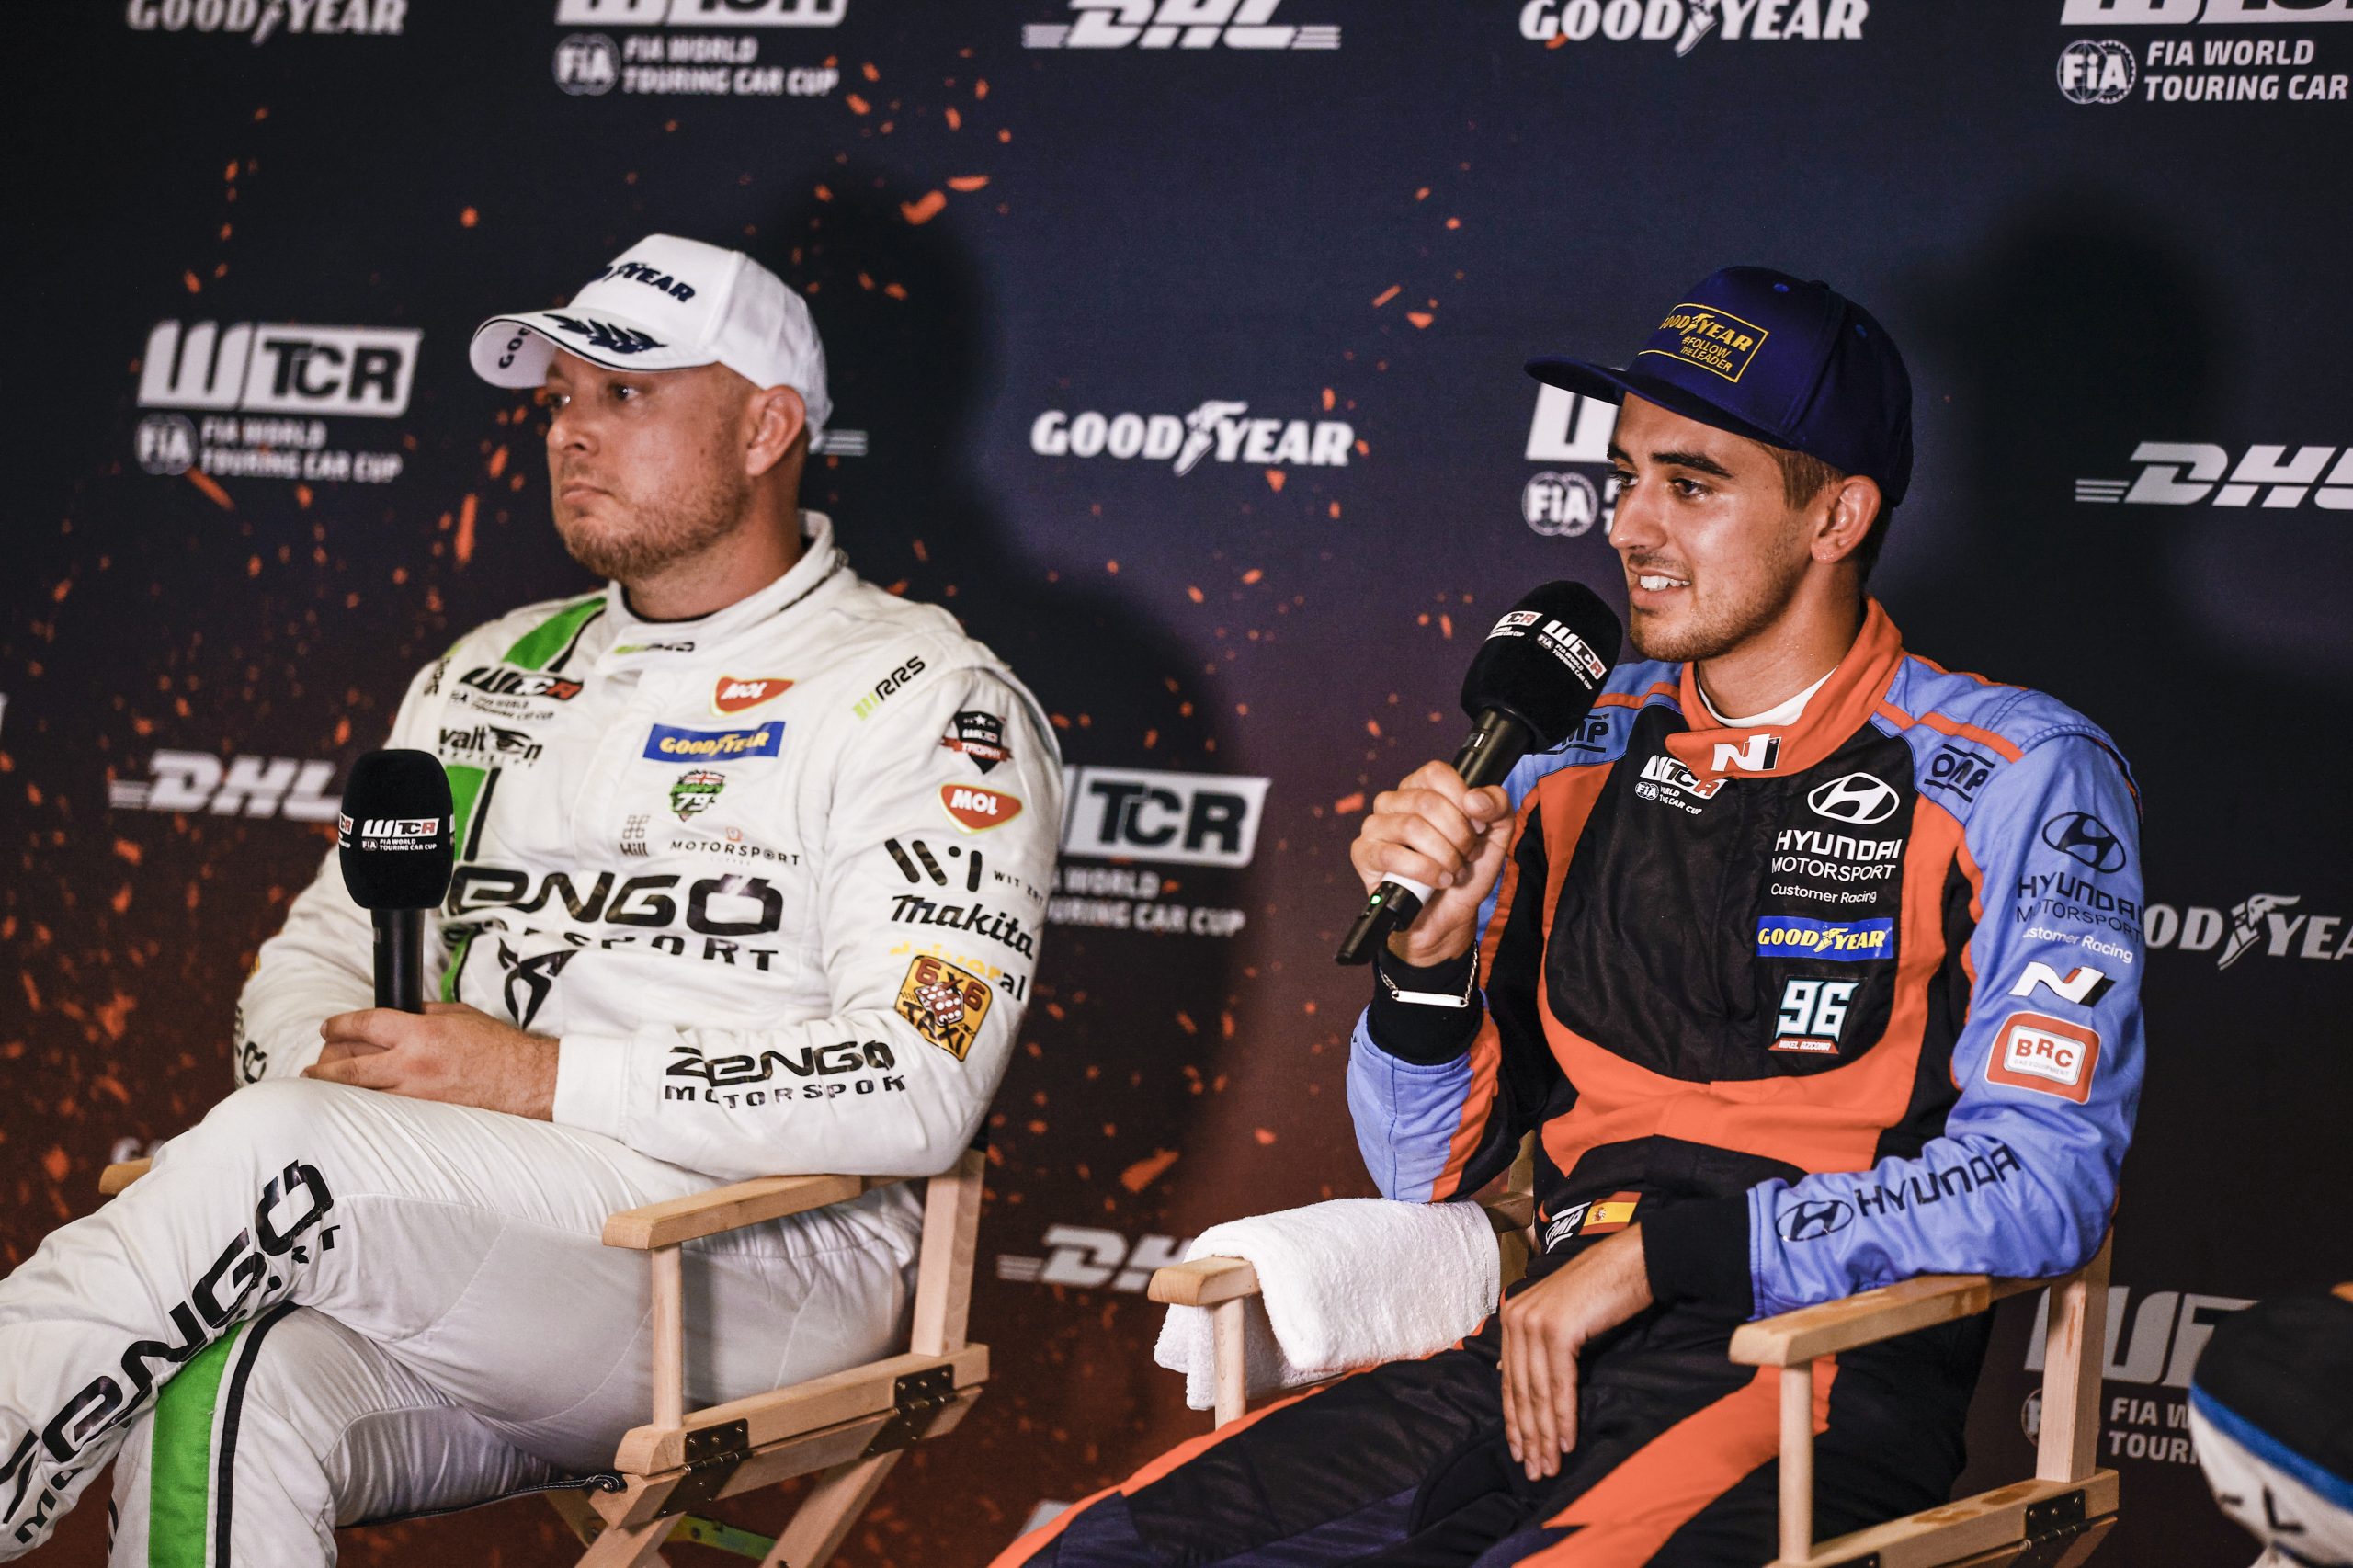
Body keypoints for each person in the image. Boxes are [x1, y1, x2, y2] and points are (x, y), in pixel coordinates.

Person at [997, 267, 2143, 1565]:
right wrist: (1426, 967)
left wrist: (1669, 1254)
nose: (1631, 526)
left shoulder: (2014, 770)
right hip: (1528, 1352)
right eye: (1625, 476)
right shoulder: (1567, 750)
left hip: (1802, 1373)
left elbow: (2048, 1178)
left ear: (1837, 515)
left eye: (1691, 484)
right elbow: (1422, 1175)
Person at [0, 234, 1063, 1562]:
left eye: (626, 394)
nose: (569, 429)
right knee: (227, 1389)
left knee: (282, 1154)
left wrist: (530, 1078)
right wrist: (353, 1076)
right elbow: (322, 947)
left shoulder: (924, 697)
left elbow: (920, 1079)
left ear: (766, 428)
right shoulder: (491, 672)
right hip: (484, 1240)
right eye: (559, 397)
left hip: (762, 1258)